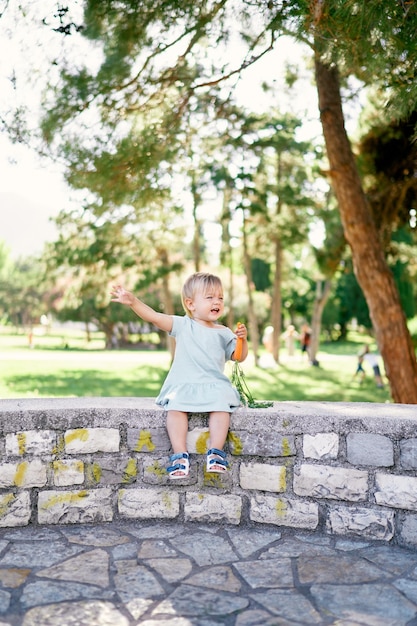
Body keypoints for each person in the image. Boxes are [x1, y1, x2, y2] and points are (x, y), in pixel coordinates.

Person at [110, 272, 248, 479]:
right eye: (209, 297)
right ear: (191, 304)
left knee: (221, 408)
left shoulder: (224, 331)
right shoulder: (184, 325)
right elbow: (154, 317)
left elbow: (238, 357)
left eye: (220, 297)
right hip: (184, 384)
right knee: (175, 409)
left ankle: (216, 453)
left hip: (213, 384)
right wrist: (133, 302)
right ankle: (179, 455)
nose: (217, 302)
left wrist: (242, 341)